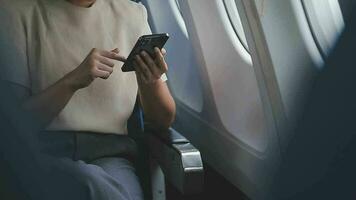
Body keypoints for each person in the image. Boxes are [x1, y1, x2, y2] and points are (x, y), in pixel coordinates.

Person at [0, 0, 176, 199]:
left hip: (111, 156)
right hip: (42, 153)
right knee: (90, 182)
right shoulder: (13, 11)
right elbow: (14, 125)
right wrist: (72, 81)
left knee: (100, 185)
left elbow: (163, 119)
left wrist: (150, 81)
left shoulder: (133, 13)